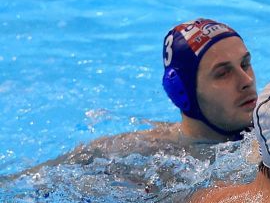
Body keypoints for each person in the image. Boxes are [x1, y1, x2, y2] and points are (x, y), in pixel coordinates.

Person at [9, 18, 257, 179]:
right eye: (223, 73)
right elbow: (25, 184)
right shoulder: (143, 155)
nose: (246, 80)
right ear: (182, 92)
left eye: (245, 64)